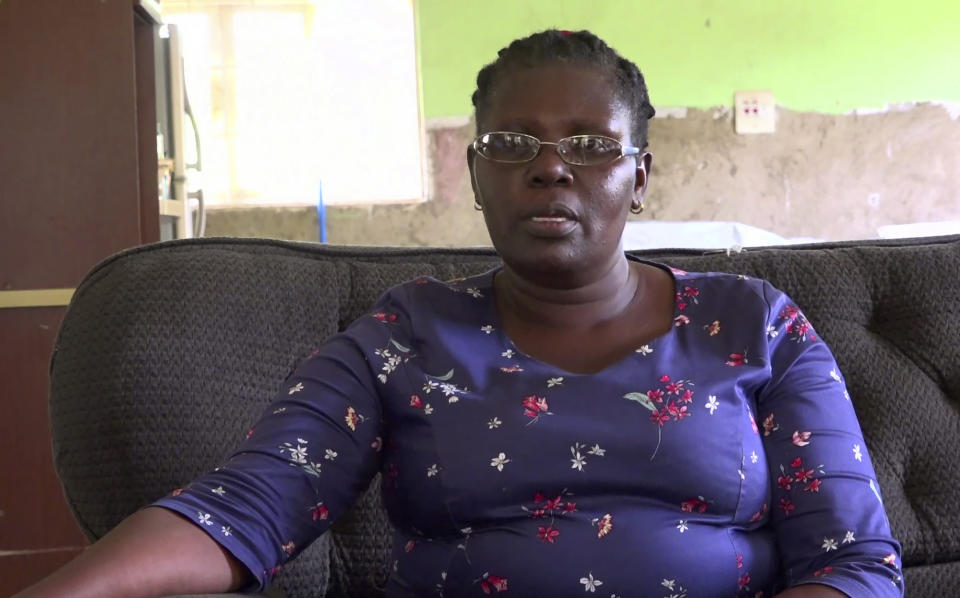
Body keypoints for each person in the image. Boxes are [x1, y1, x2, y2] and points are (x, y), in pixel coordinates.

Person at [17, 30, 902, 598]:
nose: (550, 168)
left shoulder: (755, 325)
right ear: (477, 175)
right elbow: (244, 507)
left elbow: (855, 565)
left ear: (639, 177)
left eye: (591, 146)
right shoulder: (406, 335)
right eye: (513, 145)